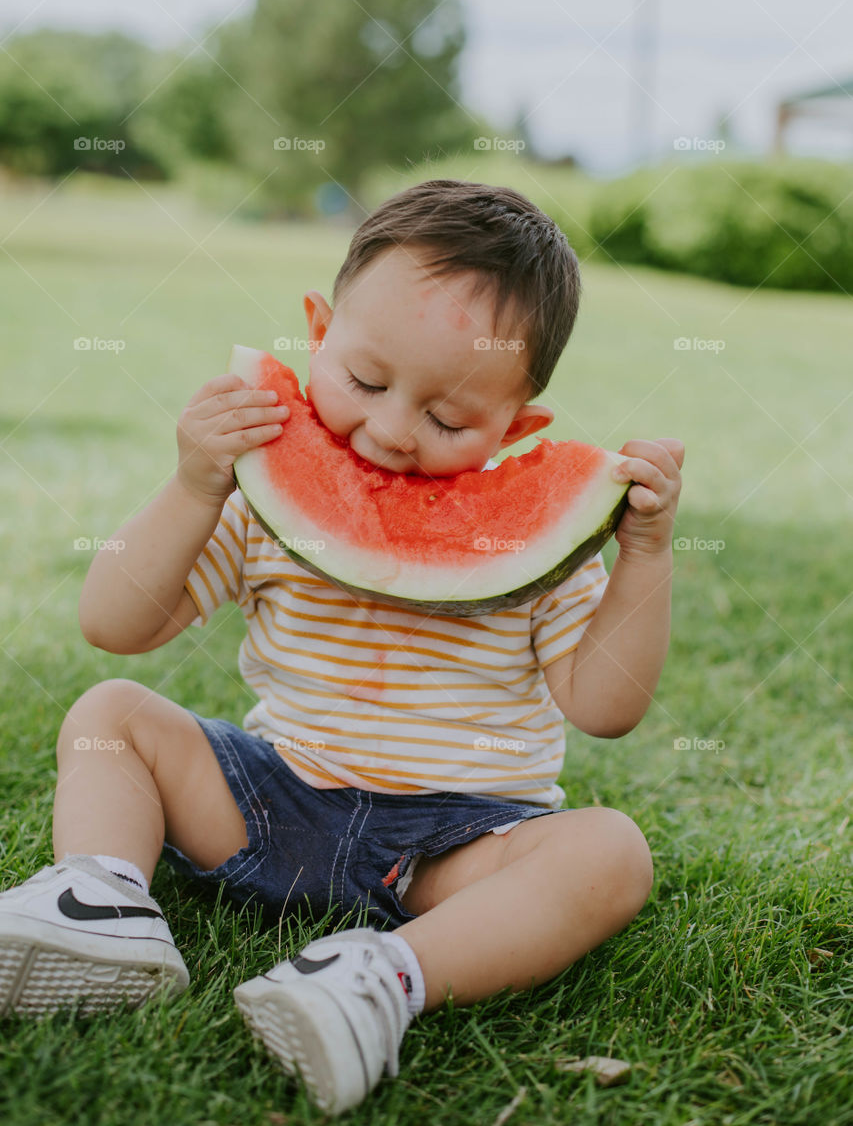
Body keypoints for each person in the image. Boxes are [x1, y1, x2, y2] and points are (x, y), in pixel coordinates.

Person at [0, 179, 684, 1115]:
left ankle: (382, 976)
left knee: (609, 850)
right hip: (268, 801)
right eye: (365, 381)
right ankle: (102, 900)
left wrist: (643, 554)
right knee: (110, 715)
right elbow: (115, 623)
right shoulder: (256, 510)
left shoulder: (545, 561)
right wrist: (195, 487)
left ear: (518, 429)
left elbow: (605, 709)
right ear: (318, 333)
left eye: (449, 420)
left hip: (452, 850)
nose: (393, 431)